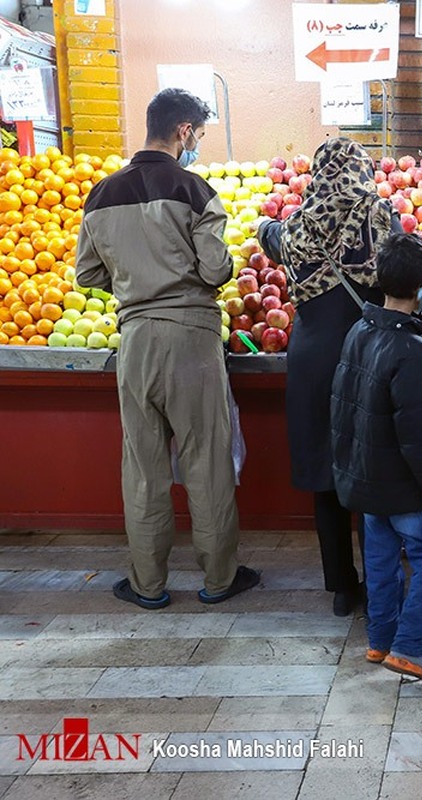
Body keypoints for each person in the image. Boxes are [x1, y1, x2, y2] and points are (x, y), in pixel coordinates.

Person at [75, 88, 259, 609]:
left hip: (134, 340)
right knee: (206, 461)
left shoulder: (101, 195)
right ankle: (219, 579)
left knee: (143, 464)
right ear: (184, 131)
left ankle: (147, 584)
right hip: (192, 340)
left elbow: (88, 272)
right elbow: (217, 270)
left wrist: (137, 283)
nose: (197, 143)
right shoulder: (195, 191)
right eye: (198, 134)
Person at [259, 137, 400, 617]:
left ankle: (342, 586)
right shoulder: (380, 215)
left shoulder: (297, 225)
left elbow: (269, 239)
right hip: (368, 353)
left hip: (312, 358)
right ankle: (383, 583)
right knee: (373, 467)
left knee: (327, 473)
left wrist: (264, 225)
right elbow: (405, 271)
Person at [330, 232, 422, 683]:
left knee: (380, 563)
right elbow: (419, 433)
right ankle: (411, 647)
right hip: (403, 486)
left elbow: (347, 404)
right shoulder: (414, 350)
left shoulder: (359, 331)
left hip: (364, 480)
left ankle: (380, 640)